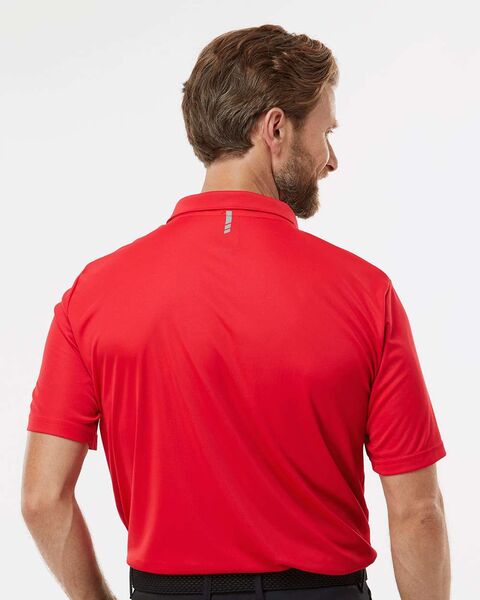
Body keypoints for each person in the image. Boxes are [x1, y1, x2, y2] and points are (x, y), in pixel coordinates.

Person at [21, 24, 450, 600]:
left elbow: (42, 498)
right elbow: (418, 510)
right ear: (275, 128)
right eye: (325, 133)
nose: (331, 160)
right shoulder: (365, 293)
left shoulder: (93, 294)